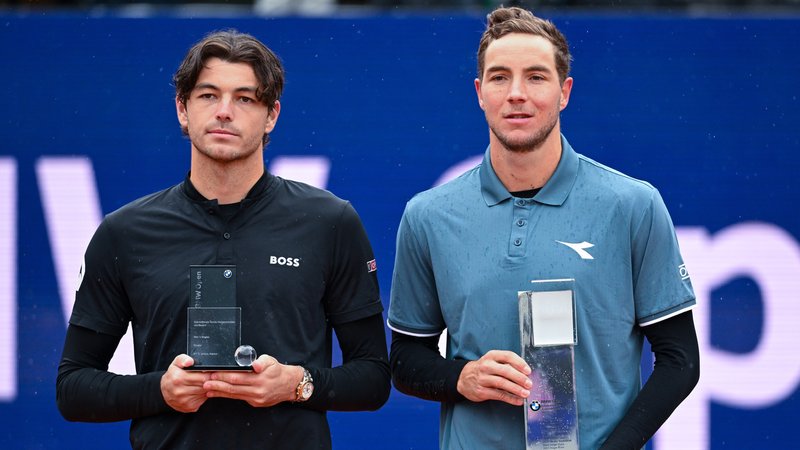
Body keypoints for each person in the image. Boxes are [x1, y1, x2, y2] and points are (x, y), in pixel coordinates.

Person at [56, 30, 390, 449]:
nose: (225, 112)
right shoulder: (124, 232)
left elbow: (375, 376)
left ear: (271, 116)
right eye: (208, 95)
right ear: (183, 109)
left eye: (245, 98)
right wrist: (160, 390)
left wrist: (296, 384)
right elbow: (73, 388)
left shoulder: (329, 221)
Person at [387, 6, 700, 449]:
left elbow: (680, 360)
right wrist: (462, 376)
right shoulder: (428, 215)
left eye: (536, 76)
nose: (516, 93)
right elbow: (404, 359)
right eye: (499, 77)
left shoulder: (632, 205)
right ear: (480, 92)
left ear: (564, 91)